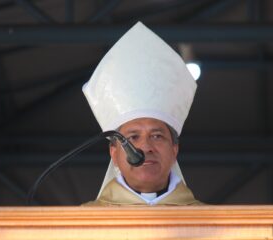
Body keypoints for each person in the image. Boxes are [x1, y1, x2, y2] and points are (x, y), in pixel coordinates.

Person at [82, 22, 202, 206]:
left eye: (157, 136)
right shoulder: (82, 223)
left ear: (174, 150)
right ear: (114, 154)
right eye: (133, 137)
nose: (145, 147)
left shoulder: (211, 222)